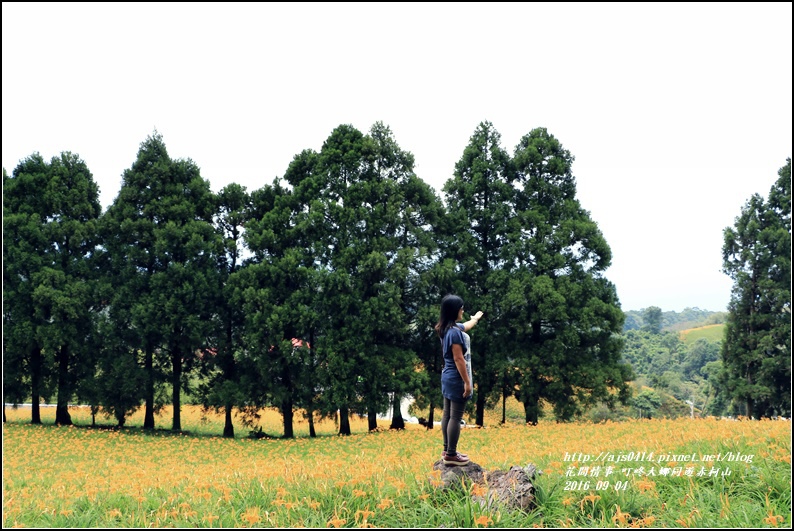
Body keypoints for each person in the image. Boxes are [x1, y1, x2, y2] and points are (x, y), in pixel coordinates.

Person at [434, 294, 484, 466]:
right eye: (461, 308)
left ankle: (447, 449)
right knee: (455, 417)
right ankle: (451, 455)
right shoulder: (455, 333)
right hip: (456, 378)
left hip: (446, 376)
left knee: (447, 414)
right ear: (455, 310)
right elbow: (459, 359)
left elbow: (467, 326)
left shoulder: (446, 328)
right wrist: (467, 382)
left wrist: (476, 318)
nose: (463, 310)